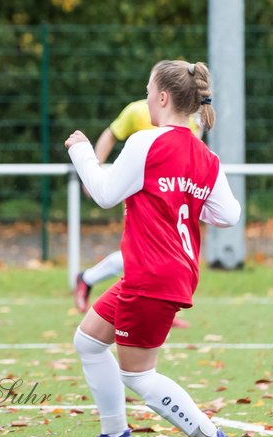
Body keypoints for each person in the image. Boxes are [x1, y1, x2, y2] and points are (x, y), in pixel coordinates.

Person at [67, 60, 240, 437]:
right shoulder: (205, 156)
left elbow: (105, 193)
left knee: (138, 374)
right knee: (89, 341)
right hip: (168, 272)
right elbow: (228, 214)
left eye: (148, 91)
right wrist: (186, 198)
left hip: (151, 275)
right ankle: (114, 436)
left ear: (162, 97)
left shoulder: (146, 142)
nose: (146, 98)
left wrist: (81, 152)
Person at [74, 99, 202, 314]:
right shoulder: (138, 111)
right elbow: (110, 134)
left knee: (159, 253)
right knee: (145, 252)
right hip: (143, 196)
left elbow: (188, 156)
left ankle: (156, 304)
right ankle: (94, 281)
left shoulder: (191, 117)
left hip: (170, 197)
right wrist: (94, 170)